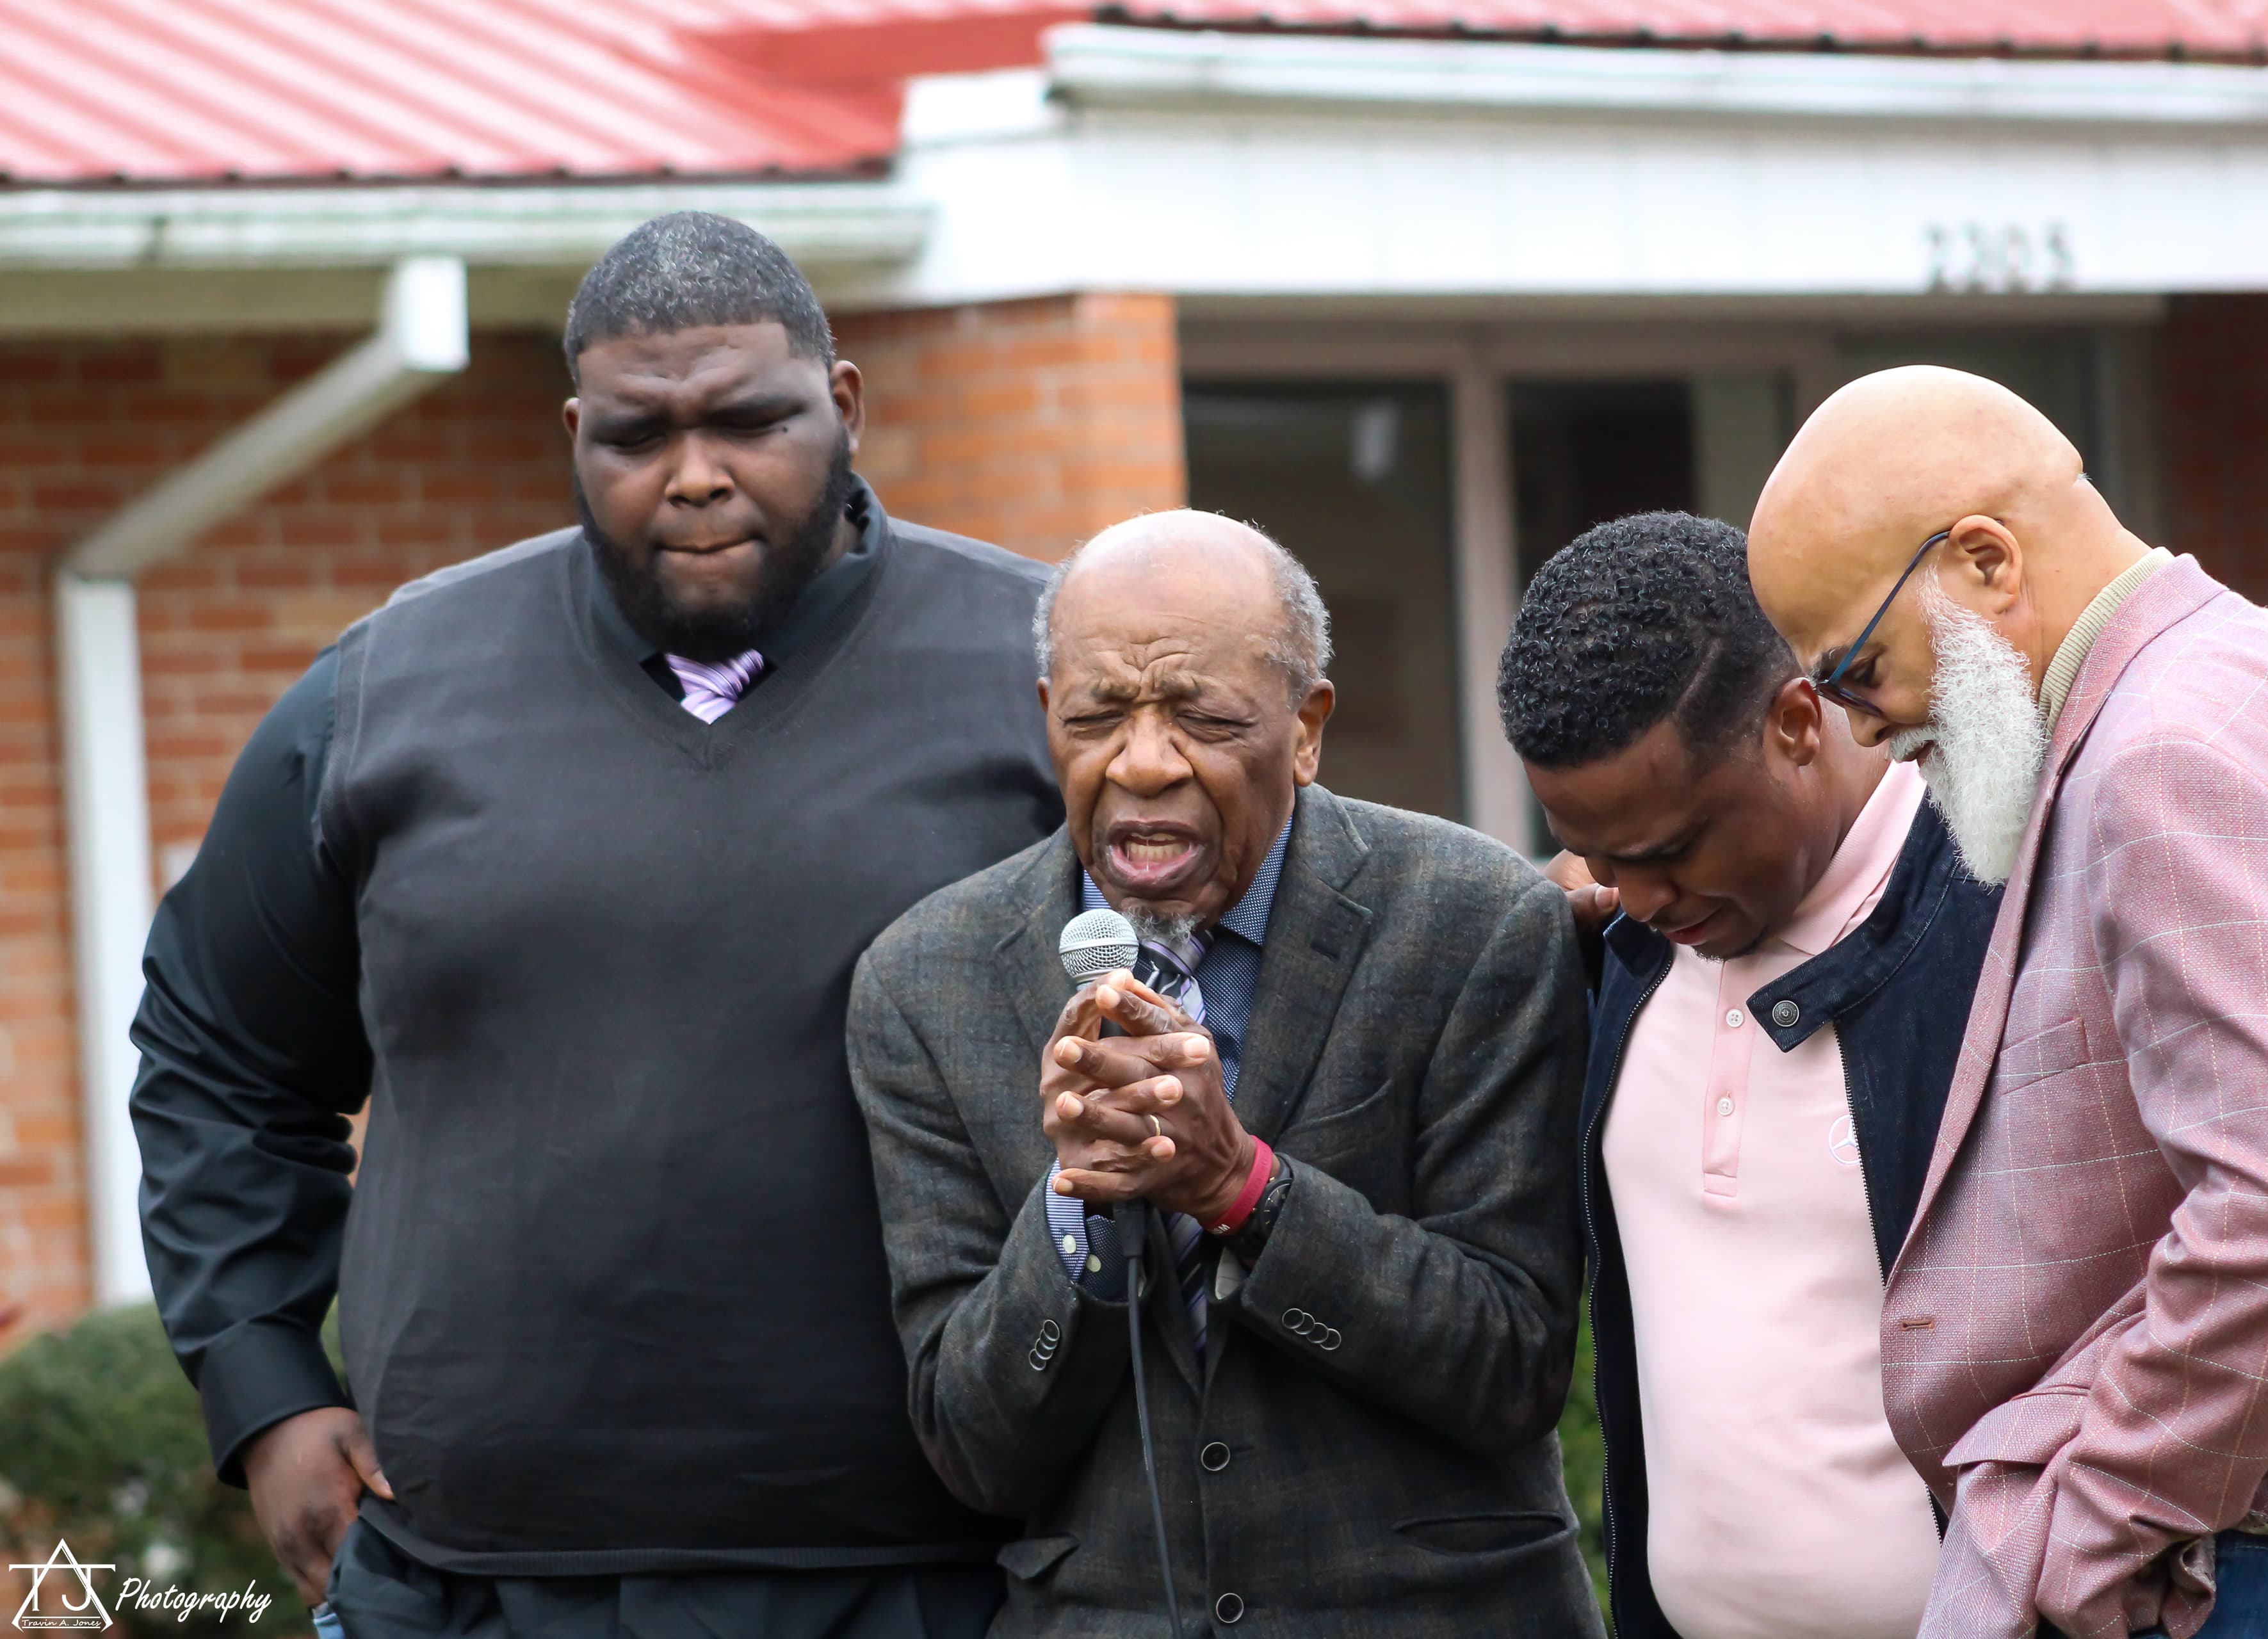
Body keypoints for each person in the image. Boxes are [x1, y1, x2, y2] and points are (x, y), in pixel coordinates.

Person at [130, 213, 1063, 1639]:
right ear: (578, 435)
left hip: (950, 1580)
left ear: (845, 405)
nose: (696, 475)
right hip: (468, 1586)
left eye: (750, 420)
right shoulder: (387, 695)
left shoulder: (1050, 680)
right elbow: (218, 1051)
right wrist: (265, 1389)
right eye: (639, 435)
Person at [1747, 364, 2268, 1638]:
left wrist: (2087, 1527)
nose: (1864, 732)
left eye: (1855, 669)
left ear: (1984, 562)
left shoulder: (2170, 748)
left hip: (2246, 1565)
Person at [846, 511, 1603, 1637]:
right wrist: (1072, 1213)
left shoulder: (1476, 920)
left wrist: (1240, 1187)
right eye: (1098, 717)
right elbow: (975, 1447)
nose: (1144, 763)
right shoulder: (925, 980)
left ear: (1306, 729)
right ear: (1048, 715)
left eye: (1203, 718)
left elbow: (1510, 1368)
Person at [1496, 512, 1998, 1639]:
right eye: (1600, 853)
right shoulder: (1622, 946)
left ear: (1796, 723)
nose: (1638, 897)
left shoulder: (2000, 925)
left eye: (1671, 849)